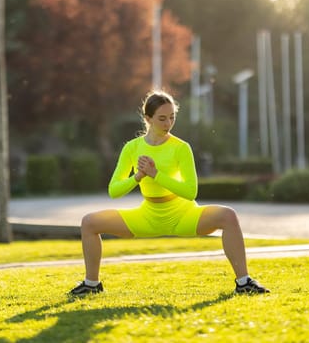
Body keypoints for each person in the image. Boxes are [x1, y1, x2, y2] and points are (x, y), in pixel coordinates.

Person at [69, 90, 269, 296]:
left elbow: (191, 192)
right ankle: (91, 284)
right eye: (162, 118)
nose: (168, 123)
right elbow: (114, 191)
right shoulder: (132, 148)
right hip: (148, 216)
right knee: (89, 222)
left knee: (228, 215)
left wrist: (156, 174)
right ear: (148, 119)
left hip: (183, 214)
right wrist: (138, 177)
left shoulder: (181, 148)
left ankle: (244, 282)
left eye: (172, 117)